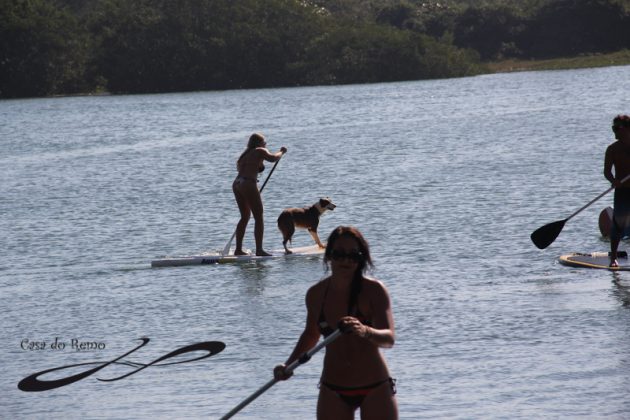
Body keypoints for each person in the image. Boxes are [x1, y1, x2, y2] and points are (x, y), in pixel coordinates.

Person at [273, 226, 398, 419]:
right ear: (329, 255)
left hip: (375, 386)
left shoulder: (374, 290)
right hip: (333, 388)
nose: (346, 260)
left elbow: (388, 339)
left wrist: (364, 330)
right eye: (339, 254)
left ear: (361, 258)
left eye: (353, 255)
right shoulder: (315, 294)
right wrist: (289, 365)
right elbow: (311, 334)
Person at [233, 133, 287, 256]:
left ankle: (238, 250)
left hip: (237, 184)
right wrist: (281, 152)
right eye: (264, 142)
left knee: (245, 217)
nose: (266, 144)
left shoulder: (245, 155)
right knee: (259, 216)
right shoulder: (259, 150)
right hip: (247, 184)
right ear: (258, 143)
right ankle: (259, 250)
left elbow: (254, 167)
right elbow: (273, 158)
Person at [604, 114, 630, 267]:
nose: (614, 132)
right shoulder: (612, 149)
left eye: (617, 128)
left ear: (627, 129)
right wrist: (613, 181)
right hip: (622, 191)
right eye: (613, 128)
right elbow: (607, 172)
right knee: (619, 224)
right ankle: (613, 258)